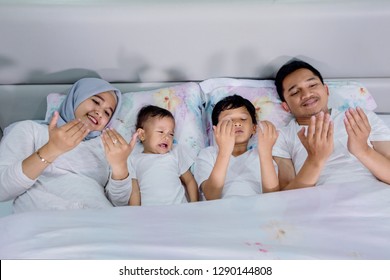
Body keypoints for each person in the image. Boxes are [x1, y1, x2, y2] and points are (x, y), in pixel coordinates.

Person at [0, 77, 137, 213]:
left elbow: (120, 204)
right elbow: (2, 190)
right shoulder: (30, 130)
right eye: (95, 101)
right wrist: (51, 150)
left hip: (98, 222)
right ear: (76, 98)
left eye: (107, 112)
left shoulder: (110, 148)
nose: (99, 113)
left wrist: (120, 166)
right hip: (44, 221)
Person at [272, 59, 390, 190]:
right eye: (295, 92)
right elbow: (285, 197)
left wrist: (363, 151)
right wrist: (315, 160)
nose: (307, 94)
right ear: (286, 106)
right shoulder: (282, 136)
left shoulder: (361, 117)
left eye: (312, 85)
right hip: (319, 204)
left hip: (374, 196)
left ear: (326, 90)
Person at [108, 105, 198, 206]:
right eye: (161, 132)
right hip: (150, 214)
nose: (166, 137)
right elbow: (135, 192)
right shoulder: (133, 159)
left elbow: (190, 181)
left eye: (171, 134)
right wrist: (134, 217)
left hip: (179, 209)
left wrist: (194, 205)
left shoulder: (175, 153)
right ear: (142, 134)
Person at [193, 94, 279, 200]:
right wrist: (224, 152)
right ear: (216, 131)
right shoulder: (207, 155)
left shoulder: (261, 155)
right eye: (229, 120)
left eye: (243, 119)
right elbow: (211, 195)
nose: (237, 123)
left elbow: (272, 195)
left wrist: (266, 153)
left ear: (254, 128)